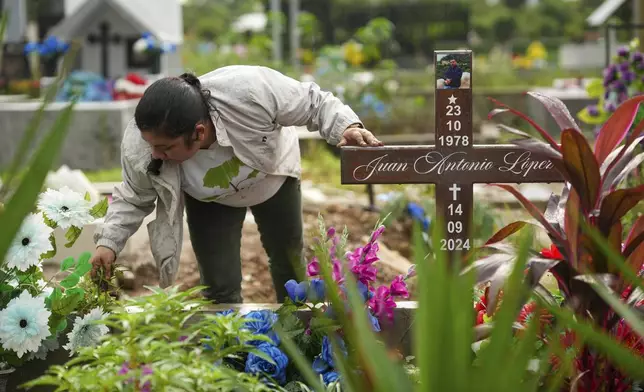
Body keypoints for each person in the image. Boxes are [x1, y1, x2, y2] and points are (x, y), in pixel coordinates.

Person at [90, 65, 383, 304]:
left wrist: (347, 126)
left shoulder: (250, 91)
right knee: (219, 287)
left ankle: (300, 341)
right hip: (209, 199)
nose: (156, 154)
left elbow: (312, 102)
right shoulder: (144, 145)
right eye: (152, 146)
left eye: (166, 148)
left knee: (289, 265)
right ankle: (232, 359)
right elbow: (133, 195)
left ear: (199, 132)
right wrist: (109, 242)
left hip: (273, 179)